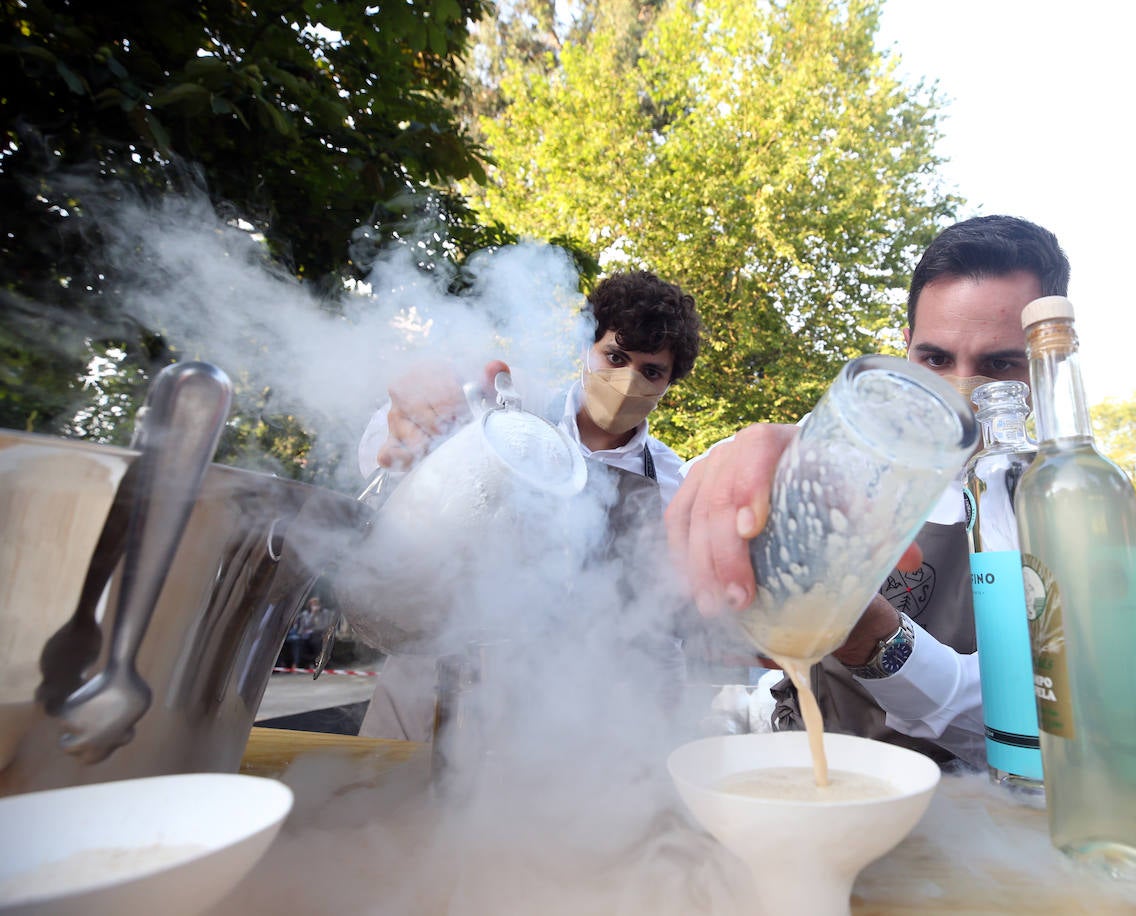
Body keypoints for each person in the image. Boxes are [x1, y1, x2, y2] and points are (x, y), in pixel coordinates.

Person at [666, 215, 1070, 766]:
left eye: (999, 365)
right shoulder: (849, 444)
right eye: (935, 359)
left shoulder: (1069, 502)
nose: (960, 388)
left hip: (965, 796)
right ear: (905, 348)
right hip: (801, 750)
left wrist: (875, 638)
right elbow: (706, 513)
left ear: (1046, 359)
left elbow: (1036, 723)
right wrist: (728, 486)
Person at [356, 270, 702, 740]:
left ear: (669, 383)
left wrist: (668, 731)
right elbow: (386, 448)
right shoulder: (505, 410)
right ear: (587, 348)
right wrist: (410, 426)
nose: (627, 381)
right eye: (615, 357)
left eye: (651, 371)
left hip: (555, 728)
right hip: (430, 685)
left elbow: (660, 632)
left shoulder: (670, 484)